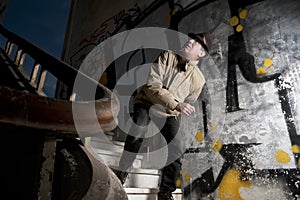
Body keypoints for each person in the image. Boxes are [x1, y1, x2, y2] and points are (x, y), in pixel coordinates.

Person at [114, 32, 211, 200]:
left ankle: (166, 191)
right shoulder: (167, 56)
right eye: (190, 39)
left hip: (170, 112)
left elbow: (190, 99)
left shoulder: (199, 80)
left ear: (201, 53)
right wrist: (176, 103)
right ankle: (122, 172)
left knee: (177, 147)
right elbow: (152, 85)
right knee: (138, 130)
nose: (189, 41)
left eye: (195, 42)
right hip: (147, 102)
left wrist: (177, 107)